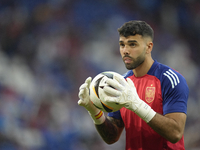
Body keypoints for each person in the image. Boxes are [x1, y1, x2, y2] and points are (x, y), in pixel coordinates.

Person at [78, 20, 189, 150]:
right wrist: (95, 112)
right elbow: (112, 137)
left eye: (132, 45)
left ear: (149, 47)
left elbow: (175, 133)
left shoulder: (170, 79)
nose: (125, 51)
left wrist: (137, 105)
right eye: (122, 45)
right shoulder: (121, 83)